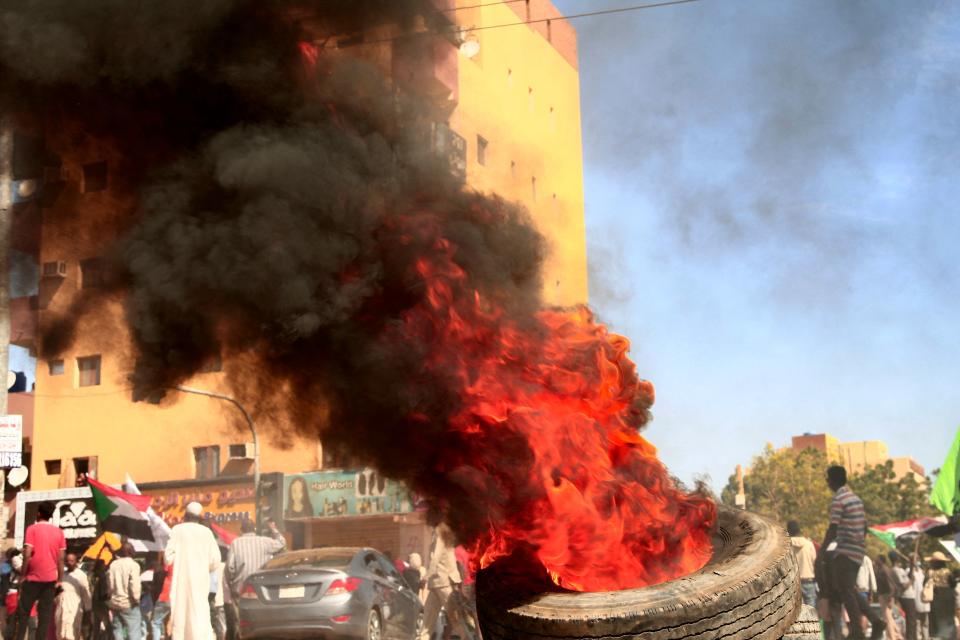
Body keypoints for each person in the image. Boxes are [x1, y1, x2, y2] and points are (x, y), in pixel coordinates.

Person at [822, 465, 885, 639]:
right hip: (858, 550)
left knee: (845, 590)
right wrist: (859, 543)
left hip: (845, 550)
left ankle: (857, 629)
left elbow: (833, 528)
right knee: (849, 588)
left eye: (827, 479)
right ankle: (875, 620)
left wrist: (822, 551)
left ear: (832, 480)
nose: (827, 482)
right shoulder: (855, 499)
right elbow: (864, 526)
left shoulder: (839, 499)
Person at [164, 502, 221, 640]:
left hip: (181, 582)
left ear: (185, 515)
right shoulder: (207, 533)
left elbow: (167, 558)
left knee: (181, 614)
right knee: (199, 612)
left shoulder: (177, 530)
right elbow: (216, 560)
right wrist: (203, 568)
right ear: (199, 517)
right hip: (200, 582)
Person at [15, 502, 66, 640]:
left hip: (31, 579)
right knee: (44, 618)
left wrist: (22, 576)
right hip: (50, 581)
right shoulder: (59, 532)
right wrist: (59, 580)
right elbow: (61, 559)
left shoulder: (32, 529)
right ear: (50, 515)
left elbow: (27, 555)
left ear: (38, 513)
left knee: (23, 615)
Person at [419, 524, 462, 640]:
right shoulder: (439, 532)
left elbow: (435, 559)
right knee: (427, 625)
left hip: (444, 581)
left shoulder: (441, 533)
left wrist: (425, 577)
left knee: (456, 620)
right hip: (437, 583)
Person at [108, 541, 141, 640]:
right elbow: (134, 586)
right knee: (133, 631)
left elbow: (110, 585)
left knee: (117, 630)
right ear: (131, 552)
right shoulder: (134, 565)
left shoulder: (113, 565)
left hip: (115, 603)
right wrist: (136, 600)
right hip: (129, 603)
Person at [54, 553, 90, 640]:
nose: (69, 563)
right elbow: (55, 593)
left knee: (72, 635)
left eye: (72, 561)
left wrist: (88, 610)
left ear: (76, 562)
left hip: (74, 610)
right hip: (61, 609)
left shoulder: (81, 576)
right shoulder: (61, 575)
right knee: (61, 634)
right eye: (67, 561)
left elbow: (86, 594)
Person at [787, 521, 818, 608]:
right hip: (808, 581)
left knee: (795, 612)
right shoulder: (809, 544)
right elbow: (815, 562)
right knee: (811, 611)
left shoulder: (787, 545)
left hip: (793, 582)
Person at [924, 552, 955, 639]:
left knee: (936, 619)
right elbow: (953, 584)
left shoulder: (930, 572)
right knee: (948, 618)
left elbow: (924, 584)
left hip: (936, 597)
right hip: (948, 597)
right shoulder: (947, 572)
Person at [875, 554, 903, 640]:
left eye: (877, 559)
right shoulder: (880, 569)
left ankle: (892, 637)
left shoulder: (885, 570)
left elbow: (891, 584)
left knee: (887, 618)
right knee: (888, 617)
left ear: (881, 560)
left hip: (886, 595)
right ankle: (897, 635)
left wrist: (891, 597)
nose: (875, 560)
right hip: (884, 595)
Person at [893, 552, 918, 640]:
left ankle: (913, 637)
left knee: (913, 621)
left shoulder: (901, 570)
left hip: (910, 596)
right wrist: (911, 581)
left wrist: (912, 565)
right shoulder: (895, 570)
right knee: (910, 621)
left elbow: (909, 576)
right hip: (906, 597)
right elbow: (903, 586)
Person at [151, 565, 172, 640]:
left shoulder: (164, 568)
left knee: (156, 622)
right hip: (177, 599)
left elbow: (155, 587)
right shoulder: (181, 568)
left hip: (164, 597)